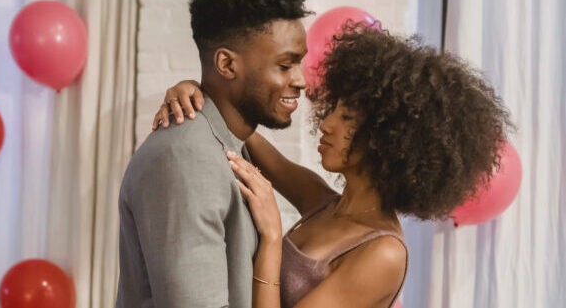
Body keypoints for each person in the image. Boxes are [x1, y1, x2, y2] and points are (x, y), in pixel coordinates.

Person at [153, 23, 512, 307]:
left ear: (388, 140)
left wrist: (273, 237)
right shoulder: (323, 202)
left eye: (348, 117)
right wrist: (197, 93)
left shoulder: (383, 253)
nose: (326, 123)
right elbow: (243, 132)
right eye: (334, 109)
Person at [116, 0, 314, 307]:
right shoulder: (185, 159)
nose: (301, 80)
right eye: (285, 65)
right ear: (226, 64)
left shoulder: (230, 143)